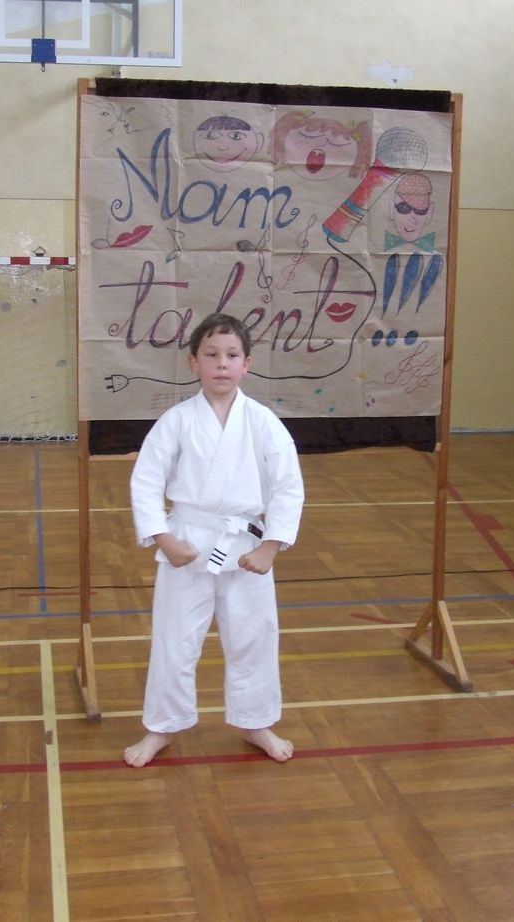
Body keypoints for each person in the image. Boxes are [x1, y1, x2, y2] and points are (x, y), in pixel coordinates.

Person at [124, 312, 304, 767]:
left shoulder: (263, 422)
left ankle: (256, 721)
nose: (222, 364)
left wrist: (270, 547)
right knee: (175, 639)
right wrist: (164, 539)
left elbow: (288, 486)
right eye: (211, 354)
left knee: (254, 637)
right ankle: (161, 726)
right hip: (187, 542)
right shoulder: (176, 420)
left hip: (245, 546)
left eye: (232, 355)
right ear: (194, 363)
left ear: (247, 364)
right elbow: (146, 481)